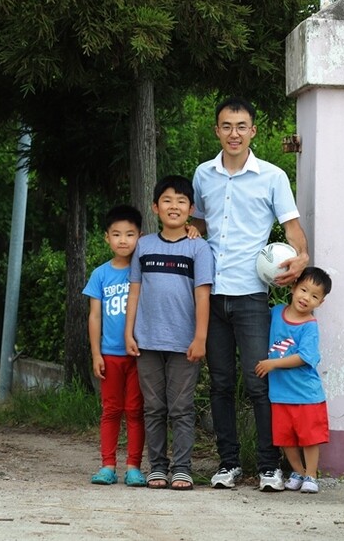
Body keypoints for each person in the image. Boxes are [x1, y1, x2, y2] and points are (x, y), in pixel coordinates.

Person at [189, 96, 310, 491]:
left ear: (253, 130)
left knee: (258, 382)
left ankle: (268, 465)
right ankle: (227, 464)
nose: (234, 133)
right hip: (212, 294)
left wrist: (302, 257)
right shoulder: (203, 174)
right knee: (221, 382)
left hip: (252, 295)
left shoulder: (273, 177)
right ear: (216, 131)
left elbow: (292, 230)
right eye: (226, 126)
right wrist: (193, 232)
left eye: (241, 126)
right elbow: (197, 225)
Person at [125, 176, 215, 490]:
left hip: (184, 342)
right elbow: (134, 291)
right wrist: (129, 333)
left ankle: (182, 468)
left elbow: (203, 294)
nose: (173, 206)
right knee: (153, 407)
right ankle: (158, 467)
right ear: (155, 207)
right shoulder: (144, 246)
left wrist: (200, 337)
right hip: (146, 341)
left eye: (180, 201)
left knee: (181, 407)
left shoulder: (199, 248)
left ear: (191, 209)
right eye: (166, 200)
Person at [83, 204, 147, 487]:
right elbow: (94, 315)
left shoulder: (144, 271)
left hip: (139, 354)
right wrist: (96, 353)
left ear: (140, 237)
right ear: (106, 238)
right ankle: (107, 465)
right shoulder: (100, 275)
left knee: (135, 410)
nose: (123, 240)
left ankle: (134, 466)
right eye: (117, 234)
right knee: (111, 410)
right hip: (110, 355)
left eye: (130, 234)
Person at [255, 267, 332, 494]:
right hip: (279, 393)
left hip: (306, 395)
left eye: (314, 296)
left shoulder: (310, 326)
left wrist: (273, 364)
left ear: (321, 302)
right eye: (304, 290)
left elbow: (304, 357)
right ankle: (297, 471)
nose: (306, 297)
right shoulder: (276, 312)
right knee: (285, 438)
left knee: (309, 438)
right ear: (293, 287)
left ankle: (311, 475)